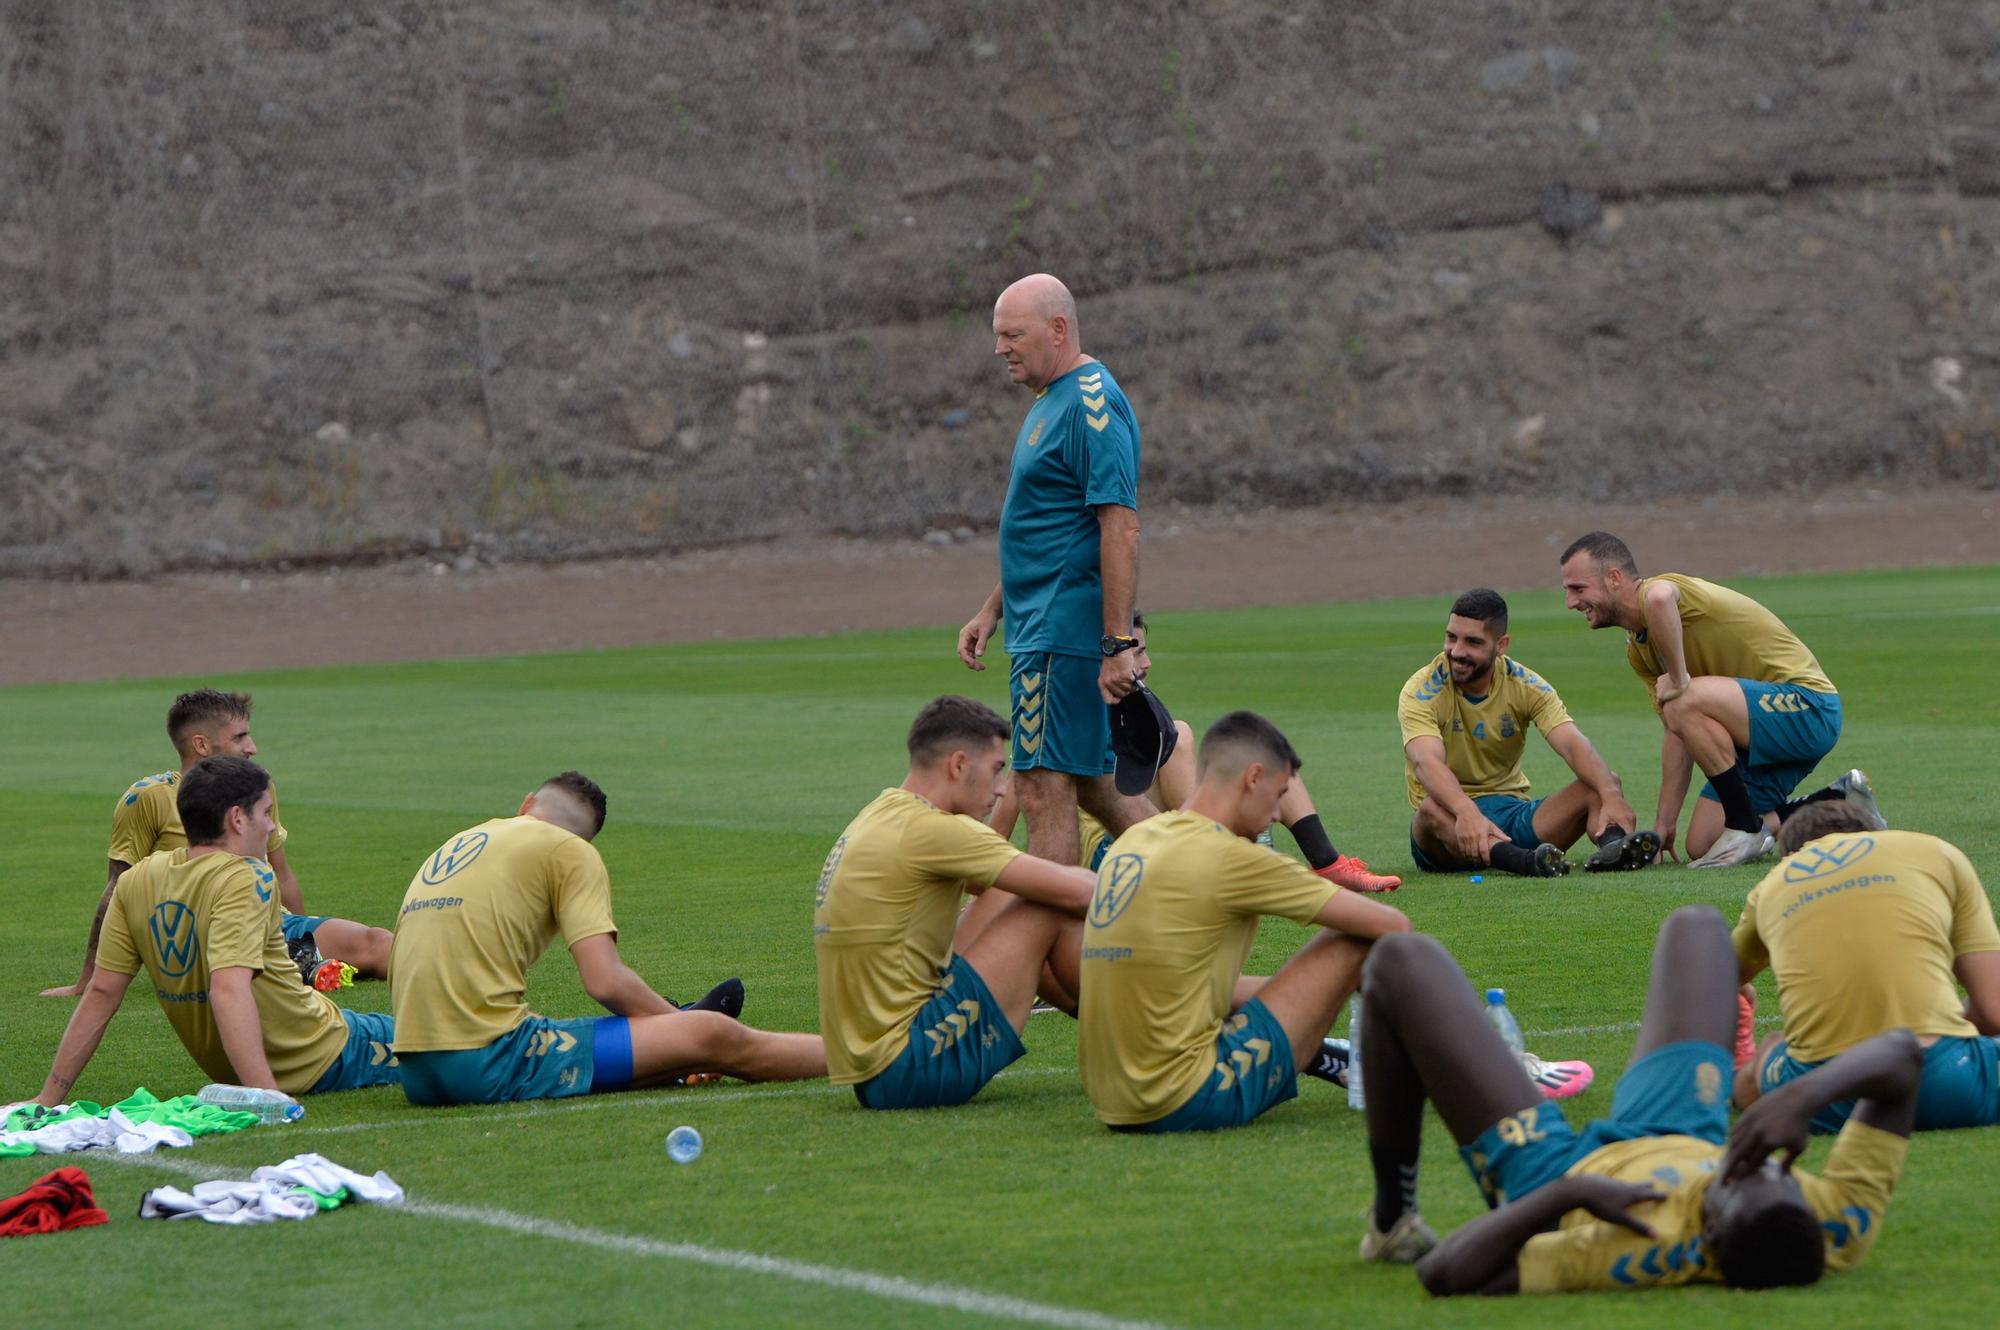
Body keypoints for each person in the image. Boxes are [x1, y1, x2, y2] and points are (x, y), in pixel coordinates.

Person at [1355, 904, 1920, 1296]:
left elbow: (1445, 1273)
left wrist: (1567, 1194)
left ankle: (1392, 1220)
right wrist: (1805, 1094)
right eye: (1781, 1176)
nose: (1753, 1165)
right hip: (1682, 1127)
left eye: (1734, 1182)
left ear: (1711, 1237)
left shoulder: (1635, 1250)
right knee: (1698, 928)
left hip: (1559, 1174)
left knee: (1398, 962)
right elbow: (1902, 1056)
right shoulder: (1834, 1227)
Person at [388, 772, 821, 1105]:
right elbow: (605, 981)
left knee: (581, 1033)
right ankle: (872, 1053)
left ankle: (673, 1052)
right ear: (585, 838)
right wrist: (681, 1024)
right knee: (713, 1034)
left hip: (416, 1071)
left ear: (526, 805)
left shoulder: (465, 840)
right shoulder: (570, 850)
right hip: (483, 1061)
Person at [1075, 711, 1412, 1133]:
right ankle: (1460, 1063)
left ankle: (1344, 1057)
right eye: (1279, 795)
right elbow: (1394, 927)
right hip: (1183, 1097)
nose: (1276, 815)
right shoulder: (1234, 857)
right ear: (1253, 778)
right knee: (1363, 941)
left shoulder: (1138, 838)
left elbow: (1198, 985)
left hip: (1113, 1100)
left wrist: (1312, 995)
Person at [30, 756, 402, 1106]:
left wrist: (47, 1098)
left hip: (254, 1060)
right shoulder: (250, 875)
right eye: (266, 812)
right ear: (238, 818)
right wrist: (267, 1097)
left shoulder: (137, 880)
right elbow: (227, 989)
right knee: (445, 1037)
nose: (272, 825)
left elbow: (101, 993)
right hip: (323, 1051)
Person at [956, 273, 1156, 872]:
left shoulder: (1092, 403)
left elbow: (1118, 527)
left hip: (1059, 633)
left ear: (1058, 329)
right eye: (998, 336)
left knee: (1042, 788)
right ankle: (1207, 881)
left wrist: (1119, 644)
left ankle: (1055, 951)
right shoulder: (1054, 399)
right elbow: (1047, 528)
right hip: (1039, 623)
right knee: (1094, 785)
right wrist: (993, 608)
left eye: (1013, 334)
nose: (1000, 349)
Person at [815, 696, 1100, 1109]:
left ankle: (1128, 1026)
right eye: (997, 771)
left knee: (1017, 889)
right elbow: (1080, 892)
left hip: (877, 1073)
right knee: (1046, 902)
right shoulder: (933, 831)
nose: (1003, 789)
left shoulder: (882, 814)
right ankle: (1144, 1028)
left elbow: (990, 886)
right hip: (913, 1066)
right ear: (959, 765)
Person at [41, 688, 392, 996]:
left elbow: (280, 873)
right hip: (196, 938)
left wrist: (304, 946)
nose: (252, 748)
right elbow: (116, 889)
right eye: (239, 737)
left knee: (380, 944)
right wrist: (87, 981)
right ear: (201, 744)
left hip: (267, 926)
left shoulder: (258, 785)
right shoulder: (147, 798)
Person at [1559, 532, 1877, 867]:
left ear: (1614, 578)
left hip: (1809, 709)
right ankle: (1841, 803)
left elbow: (1660, 599)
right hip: (1755, 738)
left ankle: (1744, 825)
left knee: (1682, 701)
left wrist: (1681, 679)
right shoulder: (1639, 649)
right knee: (1703, 841)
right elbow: (1676, 731)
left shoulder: (1658, 591)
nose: (1570, 602)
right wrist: (1664, 823)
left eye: (1578, 588)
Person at [1733, 801, 2000, 1132]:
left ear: (1792, 856)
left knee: (1767, 1055)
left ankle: (1747, 1062)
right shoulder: (1934, 851)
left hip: (1823, 1095)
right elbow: (1993, 1012)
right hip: (1947, 1082)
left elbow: (1720, 981)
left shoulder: (1772, 885)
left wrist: (1741, 992)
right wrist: (1944, 1028)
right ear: (1874, 836)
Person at [1399, 589, 1652, 878]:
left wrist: (1611, 795)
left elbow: (1571, 744)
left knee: (1602, 782)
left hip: (1511, 814)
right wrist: (1466, 812)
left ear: (1501, 645)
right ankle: (1524, 863)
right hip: (1449, 828)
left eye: (1473, 642)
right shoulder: (1422, 689)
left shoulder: (1527, 685)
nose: (1457, 651)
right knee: (1429, 810)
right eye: (1451, 637)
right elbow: (1426, 762)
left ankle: (1614, 848)